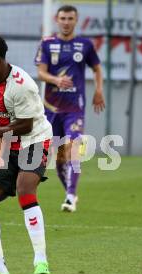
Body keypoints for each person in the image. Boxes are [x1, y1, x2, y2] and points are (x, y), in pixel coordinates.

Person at [0, 34, 53, 274]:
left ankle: (41, 260)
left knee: (25, 189)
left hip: (35, 140)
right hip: (7, 142)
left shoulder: (23, 85)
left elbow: (27, 125)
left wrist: (0, 130)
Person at [35, 5, 105, 212]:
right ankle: (70, 193)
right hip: (50, 107)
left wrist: (98, 90)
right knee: (59, 156)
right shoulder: (47, 44)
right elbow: (41, 72)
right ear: (57, 19)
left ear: (76, 20)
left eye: (70, 18)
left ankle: (70, 195)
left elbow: (97, 68)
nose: (66, 22)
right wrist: (56, 80)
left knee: (73, 146)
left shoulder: (85, 44)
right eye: (63, 18)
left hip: (75, 107)